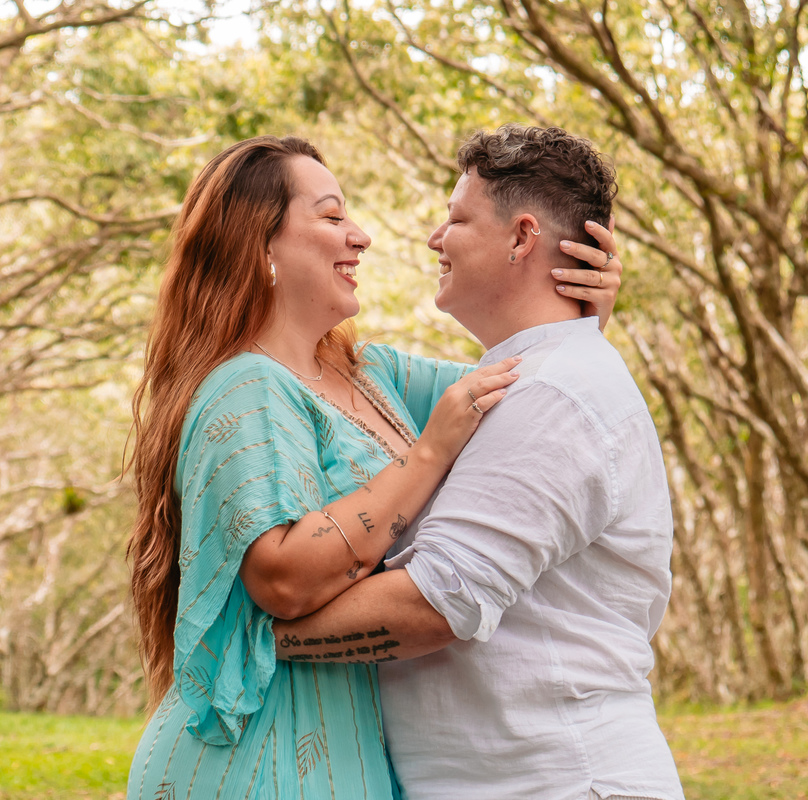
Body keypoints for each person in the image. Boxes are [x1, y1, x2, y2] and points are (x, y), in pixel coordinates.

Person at [126, 134, 623, 799]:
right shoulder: (244, 386)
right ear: (262, 245)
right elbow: (281, 577)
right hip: (259, 761)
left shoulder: (375, 374)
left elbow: (526, 393)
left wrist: (578, 306)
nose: (359, 236)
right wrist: (429, 453)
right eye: (331, 217)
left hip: (348, 751)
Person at [271, 125, 684, 799]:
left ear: (523, 238)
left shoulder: (555, 393)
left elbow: (435, 605)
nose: (436, 237)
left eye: (457, 218)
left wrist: (255, 635)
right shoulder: (532, 381)